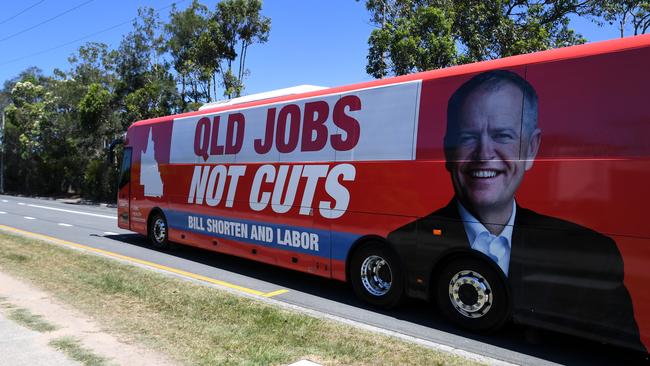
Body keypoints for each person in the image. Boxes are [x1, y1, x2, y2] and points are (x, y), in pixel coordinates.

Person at [388, 70, 643, 350]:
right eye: (468, 137)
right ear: (448, 151)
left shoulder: (594, 252)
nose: (484, 153)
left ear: (532, 148)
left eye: (502, 135)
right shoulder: (401, 240)